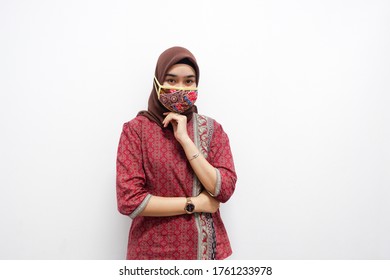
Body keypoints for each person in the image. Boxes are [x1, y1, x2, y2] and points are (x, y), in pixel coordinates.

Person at [116, 46, 237, 260]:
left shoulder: (212, 130)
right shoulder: (136, 130)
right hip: (152, 254)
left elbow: (224, 189)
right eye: (171, 80)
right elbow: (129, 200)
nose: (180, 88)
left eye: (188, 81)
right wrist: (194, 204)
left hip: (204, 254)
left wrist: (185, 140)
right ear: (157, 82)